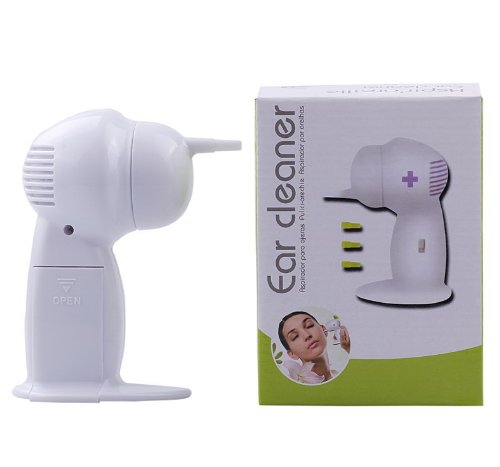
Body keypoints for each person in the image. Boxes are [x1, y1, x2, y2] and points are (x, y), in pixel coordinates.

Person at [278, 311, 350, 383]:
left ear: (323, 329)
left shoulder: (341, 376)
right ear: (292, 354)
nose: (307, 335)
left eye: (309, 325)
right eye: (295, 336)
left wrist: (349, 348)